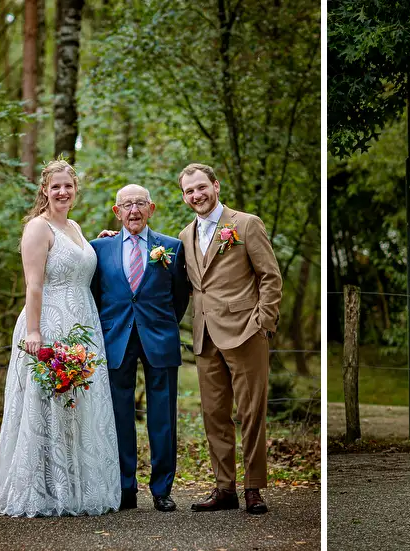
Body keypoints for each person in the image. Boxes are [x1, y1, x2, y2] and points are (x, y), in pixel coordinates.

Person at [0, 160, 121, 517]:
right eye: (56, 186)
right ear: (44, 189)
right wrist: (34, 332)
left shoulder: (74, 226)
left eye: (68, 186)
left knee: (75, 407)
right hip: (49, 322)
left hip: (83, 325)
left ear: (76, 190)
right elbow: (34, 284)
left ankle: (75, 486)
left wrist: (102, 243)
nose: (62, 192)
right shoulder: (37, 227)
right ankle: (45, 489)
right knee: (46, 404)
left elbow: (77, 261)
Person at [177, 163, 283, 515]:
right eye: (189, 191)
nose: (196, 195)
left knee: (251, 413)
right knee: (214, 415)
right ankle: (225, 489)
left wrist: (263, 322)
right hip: (205, 337)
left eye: (201, 187)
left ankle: (254, 488)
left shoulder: (245, 224)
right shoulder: (184, 236)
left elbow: (270, 276)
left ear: (216, 186)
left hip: (246, 332)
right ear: (184, 196)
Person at [90, 184, 190, 512]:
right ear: (116, 211)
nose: (134, 210)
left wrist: (161, 324)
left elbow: (180, 296)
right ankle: (125, 489)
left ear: (152, 208)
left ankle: (162, 489)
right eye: (127, 205)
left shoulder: (171, 247)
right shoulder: (98, 249)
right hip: (115, 339)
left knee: (163, 417)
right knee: (118, 416)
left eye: (140, 204)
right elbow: (93, 295)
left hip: (159, 339)